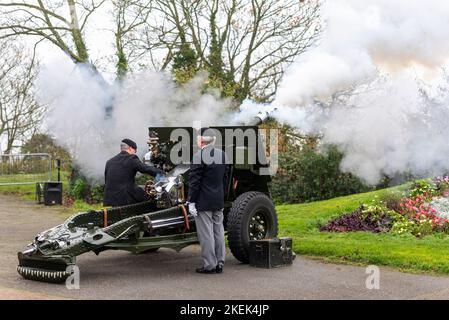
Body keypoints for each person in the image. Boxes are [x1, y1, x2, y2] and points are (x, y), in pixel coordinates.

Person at [187, 128, 229, 274]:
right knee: (218, 231)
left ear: (201, 140)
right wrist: (222, 196)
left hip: (203, 201)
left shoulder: (199, 156)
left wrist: (191, 201)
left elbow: (194, 182)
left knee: (206, 234)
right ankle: (220, 262)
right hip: (218, 200)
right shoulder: (223, 155)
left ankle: (209, 265)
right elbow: (225, 179)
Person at [103, 138, 164, 207]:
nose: (135, 153)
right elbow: (146, 169)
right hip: (125, 197)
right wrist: (162, 174)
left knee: (141, 188)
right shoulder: (131, 158)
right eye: (135, 151)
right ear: (131, 148)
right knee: (151, 194)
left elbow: (107, 181)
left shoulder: (109, 162)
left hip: (111, 198)